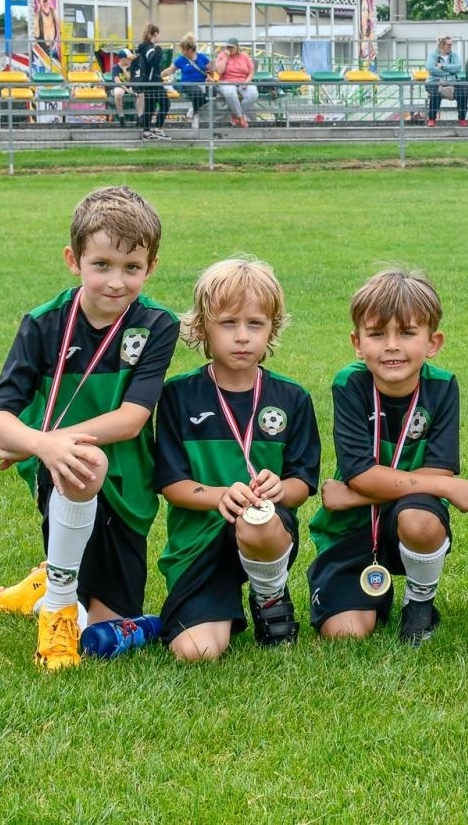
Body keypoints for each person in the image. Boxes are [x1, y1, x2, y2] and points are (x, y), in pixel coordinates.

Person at [0, 186, 179, 670]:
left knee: (105, 629)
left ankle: (45, 585)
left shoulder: (156, 325)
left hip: (131, 482)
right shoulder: (43, 324)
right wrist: (43, 447)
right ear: (73, 259)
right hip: (65, 468)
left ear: (151, 267)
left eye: (132, 268)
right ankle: (58, 607)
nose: (115, 281)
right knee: (85, 461)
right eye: (101, 264)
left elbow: (131, 420)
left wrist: (31, 446)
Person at [153, 257, 320, 660]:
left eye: (255, 324)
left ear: (272, 329)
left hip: (266, 532)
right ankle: (217, 598)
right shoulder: (178, 396)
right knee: (197, 651)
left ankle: (269, 596)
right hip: (199, 542)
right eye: (228, 323)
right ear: (203, 328)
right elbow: (172, 484)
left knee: (257, 520)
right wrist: (219, 496)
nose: (242, 336)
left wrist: (280, 489)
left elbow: (302, 483)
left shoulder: (292, 398)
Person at [308, 269, 468, 645]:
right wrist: (442, 486)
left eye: (406, 332)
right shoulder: (350, 384)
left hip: (403, 512)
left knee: (420, 518)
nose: (391, 345)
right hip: (352, 527)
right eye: (376, 333)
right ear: (357, 342)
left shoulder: (443, 386)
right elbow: (360, 473)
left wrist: (352, 493)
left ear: (433, 342)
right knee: (346, 634)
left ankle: (420, 604)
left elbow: (438, 466)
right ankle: (369, 595)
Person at [133, 24, 168, 140]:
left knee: (150, 106)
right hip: (153, 81)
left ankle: (147, 130)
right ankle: (157, 128)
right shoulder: (150, 47)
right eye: (158, 34)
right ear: (154, 34)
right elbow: (153, 60)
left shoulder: (144, 47)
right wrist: (158, 50)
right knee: (165, 103)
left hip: (148, 81)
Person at [212, 38, 257, 129]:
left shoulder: (244, 56)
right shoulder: (222, 55)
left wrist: (246, 82)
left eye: (231, 47)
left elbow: (251, 71)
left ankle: (236, 115)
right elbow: (219, 71)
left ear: (237, 47)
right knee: (230, 93)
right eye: (227, 47)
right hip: (226, 81)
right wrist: (225, 57)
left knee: (253, 94)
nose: (229, 49)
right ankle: (240, 117)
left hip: (243, 80)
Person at [170, 34, 211, 127]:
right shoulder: (180, 59)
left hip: (202, 84)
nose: (182, 51)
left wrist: (209, 76)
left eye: (183, 49)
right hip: (187, 84)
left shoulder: (202, 58)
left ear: (190, 49)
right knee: (197, 93)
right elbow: (170, 70)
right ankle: (195, 116)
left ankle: (192, 109)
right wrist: (160, 76)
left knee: (214, 91)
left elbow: (211, 70)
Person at [425, 36, 463, 126]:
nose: (450, 46)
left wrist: (442, 66)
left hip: (452, 81)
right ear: (442, 45)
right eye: (448, 44)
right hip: (434, 81)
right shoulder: (432, 55)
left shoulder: (454, 55)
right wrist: (449, 72)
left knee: (463, 92)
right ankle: (431, 119)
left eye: (451, 44)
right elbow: (431, 68)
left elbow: (458, 67)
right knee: (435, 94)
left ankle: (462, 118)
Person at [108, 50, 135, 124]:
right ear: (122, 59)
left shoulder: (133, 66)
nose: (130, 60)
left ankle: (139, 116)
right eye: (128, 58)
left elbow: (131, 79)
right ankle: (121, 115)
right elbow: (118, 82)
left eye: (130, 59)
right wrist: (127, 89)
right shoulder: (115, 67)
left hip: (131, 85)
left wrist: (125, 70)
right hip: (120, 86)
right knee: (118, 93)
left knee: (140, 93)